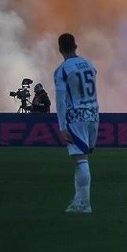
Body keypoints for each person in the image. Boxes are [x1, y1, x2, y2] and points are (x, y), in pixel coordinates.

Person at [53, 33, 99, 214]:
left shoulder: (62, 70)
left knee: (80, 159)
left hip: (76, 116)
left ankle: (84, 204)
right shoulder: (89, 64)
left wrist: (62, 126)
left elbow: (61, 99)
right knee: (83, 158)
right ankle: (78, 199)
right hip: (93, 113)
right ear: (76, 45)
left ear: (59, 49)